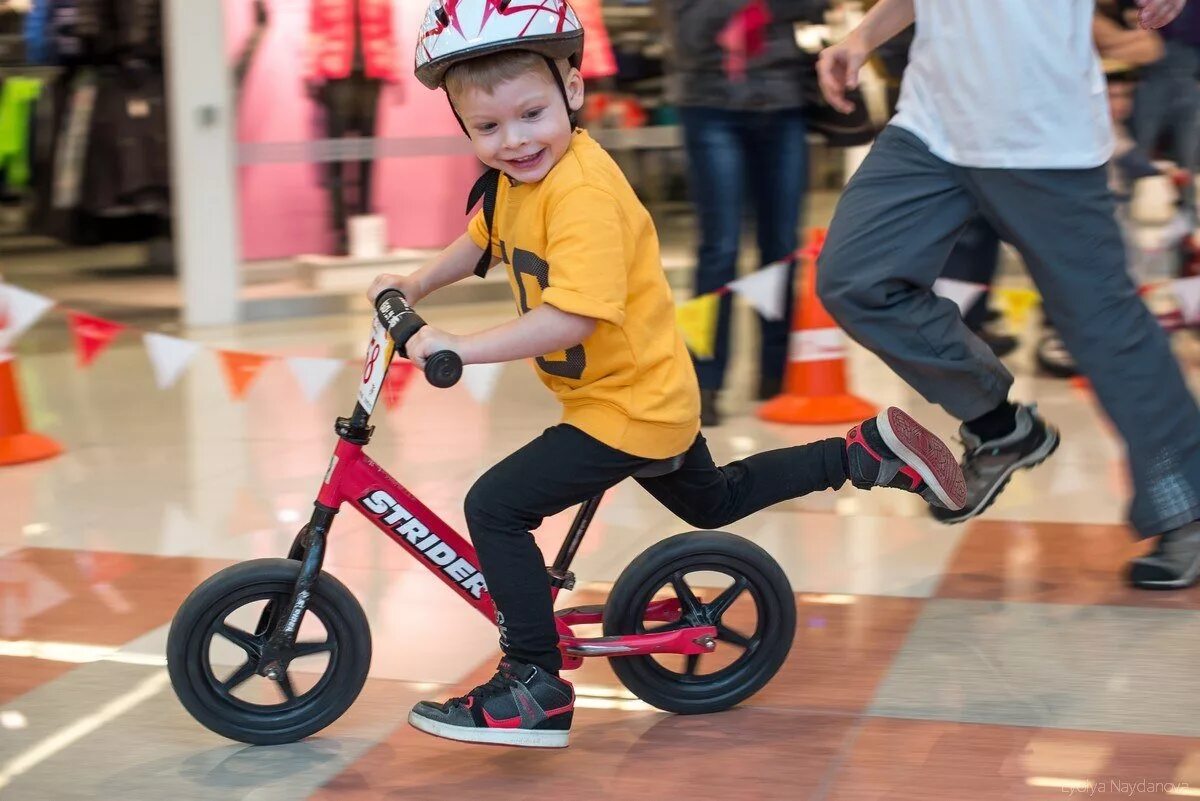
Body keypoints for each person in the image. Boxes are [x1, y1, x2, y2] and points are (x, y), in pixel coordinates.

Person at [366, 0, 966, 749]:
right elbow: (477, 242)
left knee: (495, 505)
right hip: (639, 393)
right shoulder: (514, 183)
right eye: (488, 128)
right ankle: (861, 453)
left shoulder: (581, 191)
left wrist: (457, 345)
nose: (514, 140)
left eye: (530, 114)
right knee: (714, 503)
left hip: (625, 406)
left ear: (573, 92)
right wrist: (416, 285)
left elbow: (571, 320)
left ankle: (533, 682)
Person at [815, 0, 1200, 590]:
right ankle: (1000, 427)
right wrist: (863, 36)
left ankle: (1188, 508)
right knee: (854, 277)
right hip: (932, 125)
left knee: (1104, 328)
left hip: (1044, 134)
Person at [656, 0, 829, 426]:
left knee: (782, 246)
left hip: (784, 103)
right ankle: (707, 380)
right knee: (720, 247)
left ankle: (776, 374)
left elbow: (816, 7)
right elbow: (690, 37)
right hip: (709, 105)